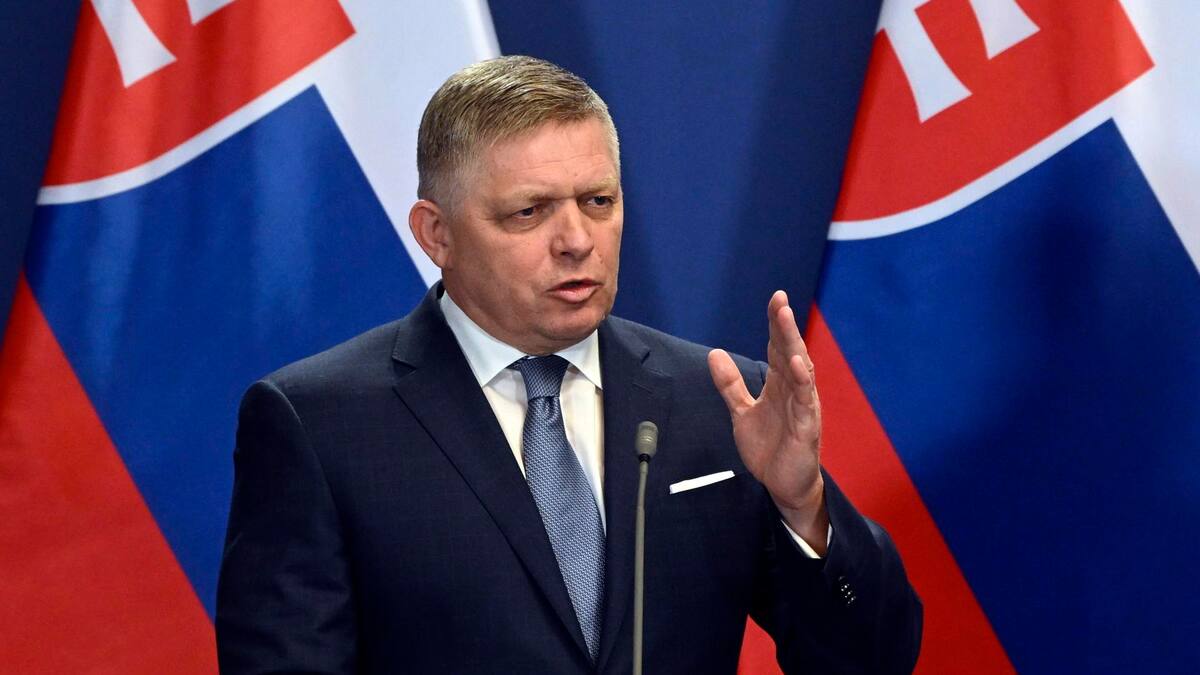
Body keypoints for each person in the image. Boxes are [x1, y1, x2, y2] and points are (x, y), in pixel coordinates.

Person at [215, 55, 922, 674]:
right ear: (437, 234)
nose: (577, 240)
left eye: (598, 201)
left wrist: (805, 506)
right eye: (530, 212)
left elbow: (872, 658)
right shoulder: (321, 423)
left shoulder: (720, 402)